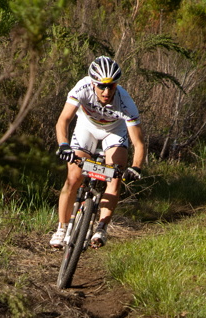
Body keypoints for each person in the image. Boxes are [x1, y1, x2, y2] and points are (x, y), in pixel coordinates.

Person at [50, 56, 146, 249]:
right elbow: (63, 120)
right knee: (73, 177)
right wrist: (64, 145)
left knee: (115, 175)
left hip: (114, 131)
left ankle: (101, 227)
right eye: (101, 86)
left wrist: (136, 167)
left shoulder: (126, 103)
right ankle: (61, 227)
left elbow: (139, 142)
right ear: (93, 83)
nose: (106, 91)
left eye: (111, 86)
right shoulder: (82, 88)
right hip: (86, 127)